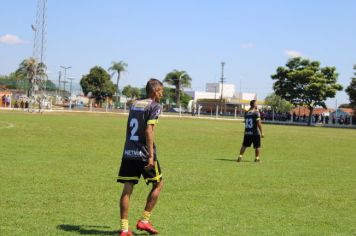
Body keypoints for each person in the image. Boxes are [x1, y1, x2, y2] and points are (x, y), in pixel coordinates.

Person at [117, 78, 164, 236]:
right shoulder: (155, 106)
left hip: (129, 152)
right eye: (160, 91)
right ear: (154, 91)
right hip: (144, 153)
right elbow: (149, 131)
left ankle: (124, 230)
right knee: (158, 184)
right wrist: (151, 155)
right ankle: (144, 220)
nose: (162, 94)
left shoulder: (135, 104)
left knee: (127, 189)